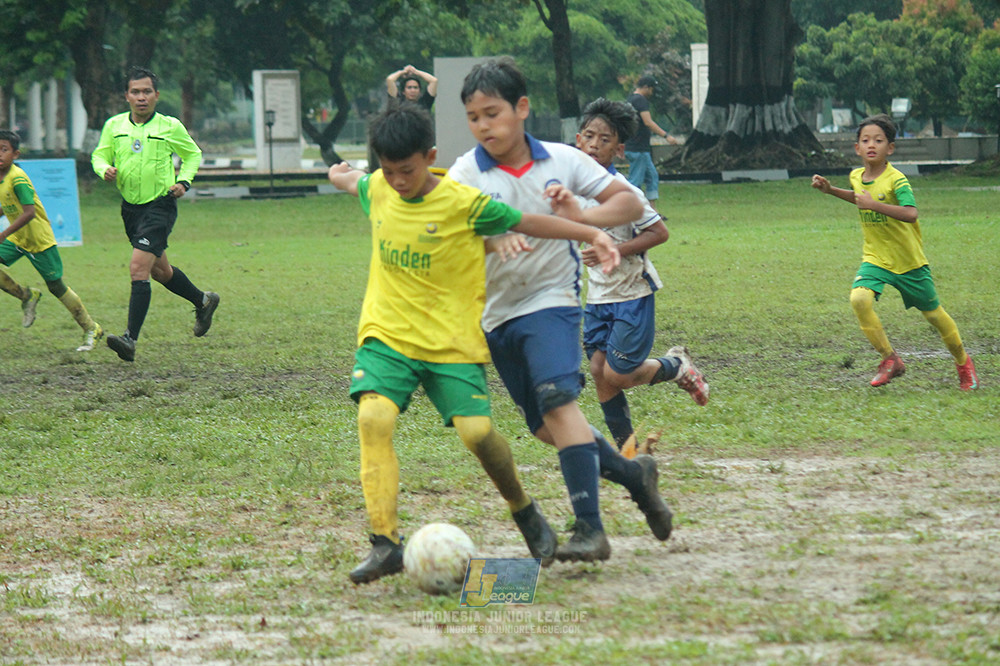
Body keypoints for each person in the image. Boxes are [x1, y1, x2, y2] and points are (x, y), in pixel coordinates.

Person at [328, 104, 623, 584]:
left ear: (430, 157)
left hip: (451, 342)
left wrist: (591, 230)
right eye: (390, 170)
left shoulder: (464, 203)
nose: (398, 180)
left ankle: (523, 509)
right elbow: (355, 181)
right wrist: (340, 172)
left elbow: (529, 222)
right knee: (373, 417)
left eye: (408, 169)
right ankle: (385, 542)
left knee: (478, 435)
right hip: (386, 336)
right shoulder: (378, 187)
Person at [448, 57, 675, 563]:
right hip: (494, 317)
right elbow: (451, 237)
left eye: (493, 112)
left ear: (522, 108)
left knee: (558, 401)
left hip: (551, 302)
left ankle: (589, 530)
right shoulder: (465, 173)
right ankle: (635, 475)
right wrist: (490, 239)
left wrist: (585, 216)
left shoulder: (561, 160)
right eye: (474, 117)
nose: (484, 125)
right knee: (546, 427)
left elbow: (630, 204)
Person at [574, 99, 709, 460]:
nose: (594, 145)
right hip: (598, 296)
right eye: (589, 136)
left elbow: (659, 232)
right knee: (599, 373)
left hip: (632, 292)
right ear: (577, 140)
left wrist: (615, 250)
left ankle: (677, 366)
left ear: (619, 150)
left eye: (605, 140)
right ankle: (630, 454)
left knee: (618, 375)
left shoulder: (625, 192)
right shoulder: (571, 190)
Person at [811, 113, 977, 390]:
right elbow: (859, 198)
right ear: (857, 148)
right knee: (859, 300)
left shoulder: (897, 180)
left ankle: (963, 362)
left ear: (890, 148)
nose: (871, 145)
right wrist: (830, 190)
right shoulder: (855, 176)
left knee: (934, 315)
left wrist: (873, 205)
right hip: (875, 258)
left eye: (879, 140)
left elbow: (911, 214)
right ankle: (890, 360)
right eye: (865, 140)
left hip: (909, 261)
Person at [91, 66, 219, 363]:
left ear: (157, 95)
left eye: (147, 91)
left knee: (138, 268)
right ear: (126, 96)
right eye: (135, 92)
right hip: (130, 209)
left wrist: (184, 181)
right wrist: (103, 169)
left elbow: (193, 154)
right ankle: (204, 300)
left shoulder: (169, 126)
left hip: (160, 205)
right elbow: (99, 154)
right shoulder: (114, 126)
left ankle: (129, 340)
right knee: (161, 271)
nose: (141, 97)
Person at [0, 130, 103, 350]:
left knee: (56, 287)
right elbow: (9, 206)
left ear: (16, 154)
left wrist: (4, 233)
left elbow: (28, 213)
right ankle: (26, 296)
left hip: (38, 240)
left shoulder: (17, 178)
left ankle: (91, 328)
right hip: (18, 238)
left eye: (4, 149)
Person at [624, 75, 676, 211]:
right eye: (652, 89)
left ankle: (652, 211)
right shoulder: (640, 100)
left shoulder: (629, 100)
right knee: (635, 181)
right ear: (646, 87)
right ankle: (628, 210)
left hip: (637, 147)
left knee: (652, 177)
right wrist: (666, 135)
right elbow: (648, 122)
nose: (652, 93)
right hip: (637, 148)